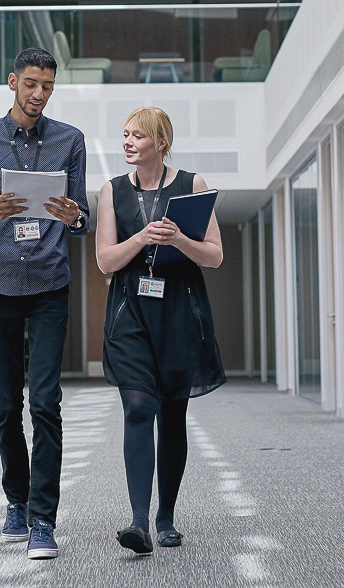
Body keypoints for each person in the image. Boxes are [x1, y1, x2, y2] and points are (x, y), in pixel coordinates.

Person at [0, 47, 90, 560]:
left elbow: (81, 219)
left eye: (47, 87)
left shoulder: (69, 141)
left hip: (51, 282)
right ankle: (15, 497)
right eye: (31, 84)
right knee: (8, 407)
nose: (38, 95)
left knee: (46, 404)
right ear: (12, 81)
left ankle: (42, 520)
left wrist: (75, 214)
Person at [94, 106, 226, 555]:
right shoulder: (111, 191)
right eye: (125, 134)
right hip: (130, 313)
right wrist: (142, 238)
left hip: (179, 313)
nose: (128, 142)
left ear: (161, 142)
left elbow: (214, 256)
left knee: (171, 414)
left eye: (137, 136)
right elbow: (105, 261)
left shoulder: (193, 186)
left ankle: (165, 518)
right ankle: (137, 522)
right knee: (137, 407)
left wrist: (179, 241)